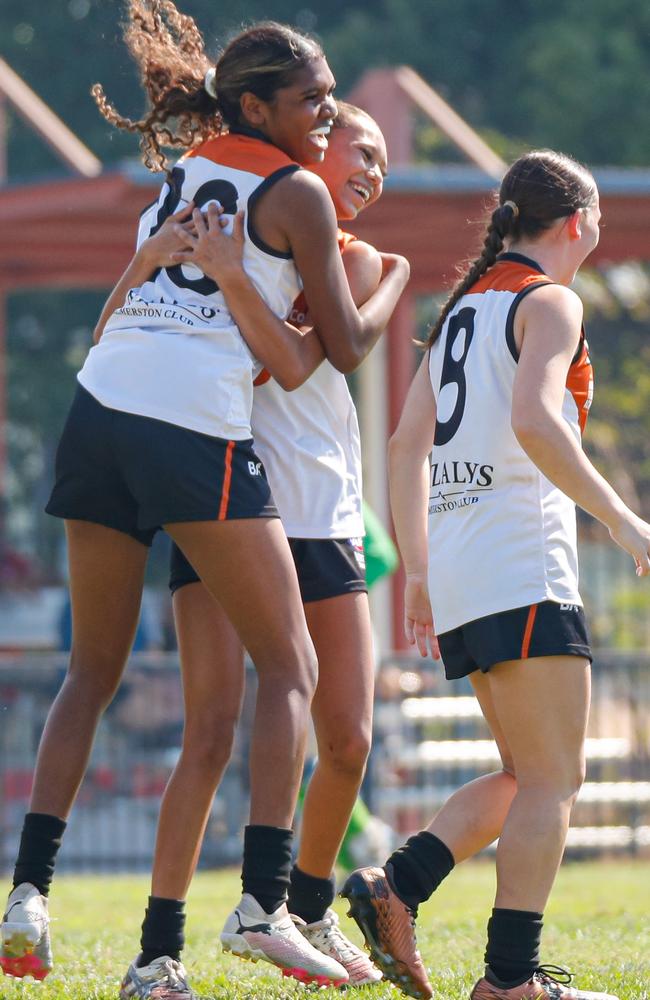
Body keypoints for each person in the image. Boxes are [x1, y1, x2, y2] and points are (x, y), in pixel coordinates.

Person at [0, 4, 409, 995]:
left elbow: (120, 319)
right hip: (190, 430)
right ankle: (266, 902)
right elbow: (344, 351)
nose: (323, 114)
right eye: (311, 99)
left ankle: (27, 894)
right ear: (258, 104)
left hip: (99, 411)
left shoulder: (174, 184)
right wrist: (386, 276)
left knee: (91, 670)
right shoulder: (299, 194)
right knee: (291, 667)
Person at [99, 101, 393, 997]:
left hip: (321, 514)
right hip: (224, 502)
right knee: (209, 731)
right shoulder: (232, 228)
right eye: (359, 147)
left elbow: (317, 358)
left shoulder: (352, 258)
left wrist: (384, 281)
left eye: (383, 158)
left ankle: (301, 908)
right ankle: (158, 953)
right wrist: (221, 271)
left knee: (346, 736)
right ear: (304, 148)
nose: (373, 169)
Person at [341, 149, 650, 1000]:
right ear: (580, 222)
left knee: (522, 772)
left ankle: (395, 885)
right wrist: (624, 521)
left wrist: (415, 570)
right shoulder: (550, 299)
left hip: (466, 570)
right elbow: (537, 422)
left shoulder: (461, 311)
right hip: (522, 558)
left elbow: (407, 447)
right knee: (556, 779)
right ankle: (511, 981)